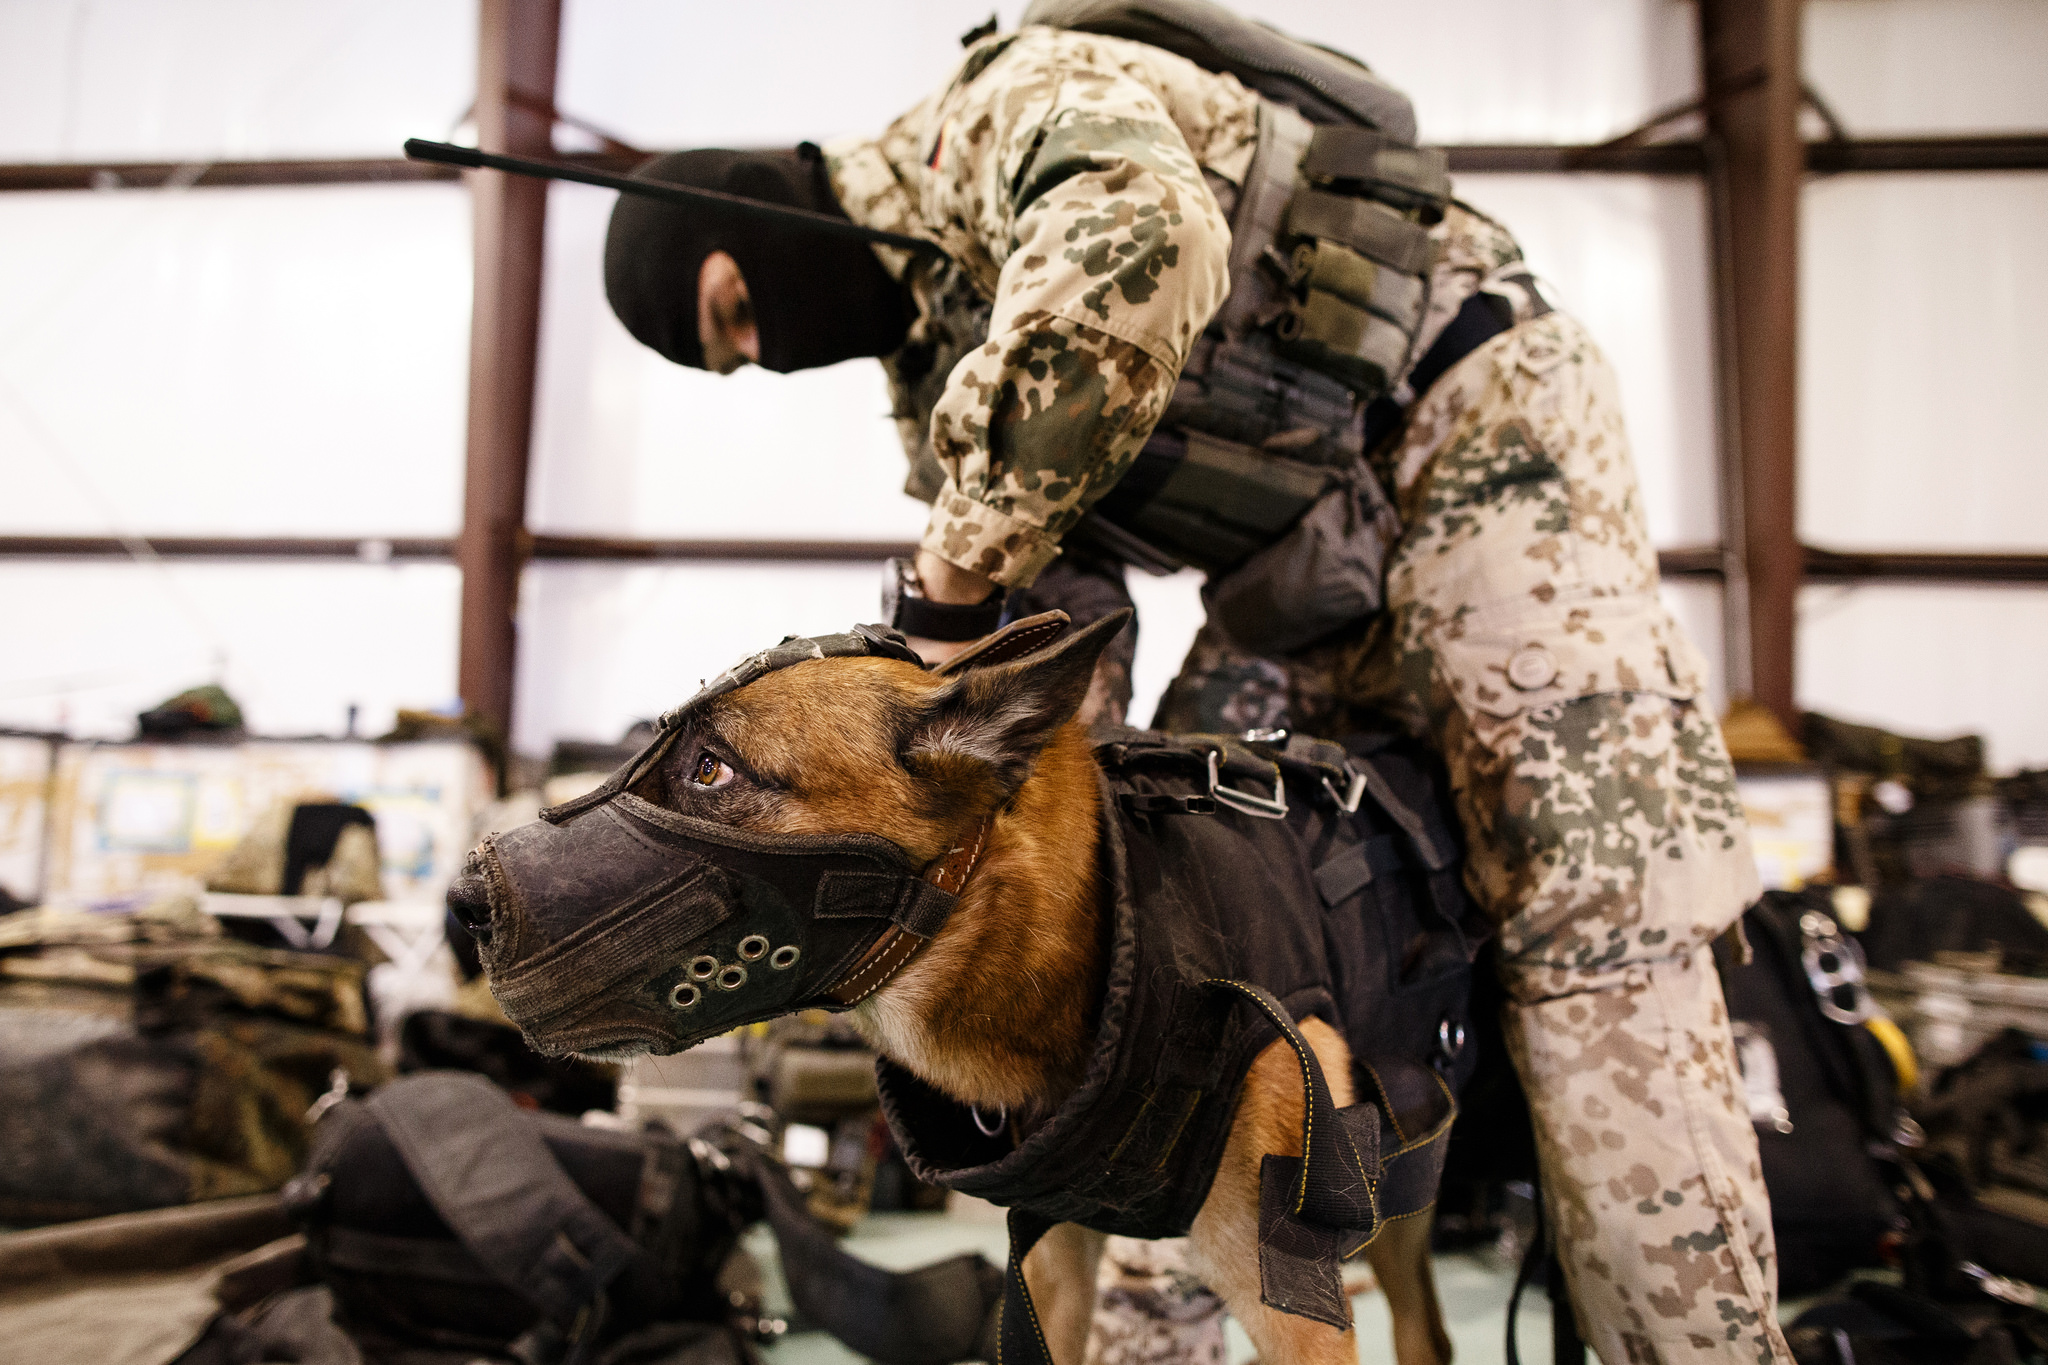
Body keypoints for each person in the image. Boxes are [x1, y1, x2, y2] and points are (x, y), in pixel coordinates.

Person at [601, 15, 1790, 1364]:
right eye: (728, 358)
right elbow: (1045, 649)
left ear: (749, 214)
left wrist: (951, 575)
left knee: (1595, 931)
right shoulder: (934, 369)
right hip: (1306, 568)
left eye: (734, 310)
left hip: (1471, 423)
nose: (757, 350)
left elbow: (1145, 252)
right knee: (1182, 939)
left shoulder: (997, 114)